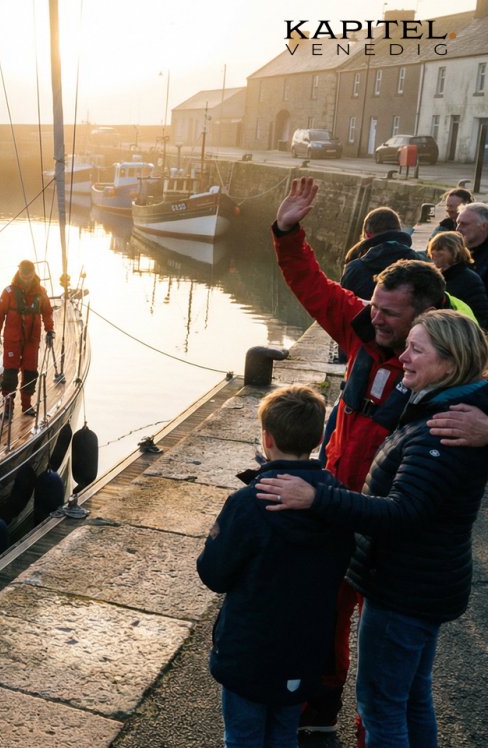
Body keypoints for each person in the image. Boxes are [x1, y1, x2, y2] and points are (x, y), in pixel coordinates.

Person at [255, 310, 488, 748]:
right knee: (412, 698)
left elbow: (402, 515)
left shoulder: (441, 431)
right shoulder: (448, 410)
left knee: (381, 707)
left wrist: (317, 498)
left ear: (451, 364)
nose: (403, 358)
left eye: (417, 350)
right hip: (426, 582)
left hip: (405, 589)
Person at [272, 177, 447, 733]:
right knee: (325, 616)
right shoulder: (362, 332)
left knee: (387, 660)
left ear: (425, 315)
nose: (376, 318)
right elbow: (313, 286)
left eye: (390, 314)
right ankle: (318, 712)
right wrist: (286, 232)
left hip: (395, 533)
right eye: (374, 306)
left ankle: (375, 732)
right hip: (340, 508)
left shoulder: (444, 374)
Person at [197, 385, 354, 747]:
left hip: (248, 652)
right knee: (284, 733)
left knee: (243, 735)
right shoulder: (337, 501)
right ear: (317, 439)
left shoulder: (248, 503)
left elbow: (214, 574)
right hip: (304, 649)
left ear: (267, 439)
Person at [0, 259, 54, 418]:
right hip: (13, 340)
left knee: (30, 372)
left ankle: (26, 405)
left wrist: (50, 330)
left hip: (32, 340)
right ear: (19, 273)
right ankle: (8, 407)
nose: (26, 280)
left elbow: (47, 312)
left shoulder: (41, 292)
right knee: (10, 373)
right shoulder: (9, 292)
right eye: (24, 276)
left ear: (33, 274)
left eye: (29, 277)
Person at [341, 206, 424, 301]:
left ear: (367, 234)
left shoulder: (354, 267)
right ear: (399, 231)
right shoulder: (418, 263)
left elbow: (342, 305)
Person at [427, 231, 488, 327]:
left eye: (439, 249)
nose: (434, 252)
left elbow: (480, 315)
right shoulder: (431, 277)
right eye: (433, 248)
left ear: (455, 251)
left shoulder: (470, 280)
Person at [454, 201, 488, 284]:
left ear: (484, 226)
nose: (457, 229)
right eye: (457, 223)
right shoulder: (454, 249)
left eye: (464, 224)